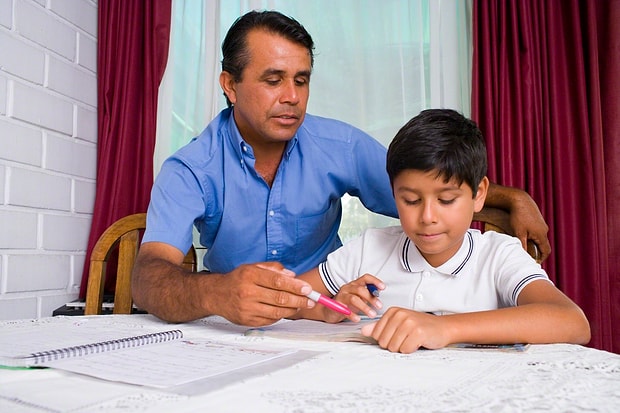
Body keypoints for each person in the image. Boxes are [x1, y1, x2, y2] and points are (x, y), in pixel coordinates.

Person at [132, 10, 551, 327]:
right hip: (233, 327)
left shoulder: (341, 145)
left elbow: (422, 190)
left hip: (328, 320)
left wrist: (511, 198)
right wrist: (216, 293)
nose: (293, 96)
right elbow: (148, 277)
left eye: (302, 79)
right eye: (273, 79)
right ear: (230, 85)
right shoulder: (189, 167)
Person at [291, 109, 590, 353]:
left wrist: (444, 328)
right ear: (394, 194)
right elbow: (291, 300)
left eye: (446, 200)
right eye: (410, 200)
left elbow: (572, 321)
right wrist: (326, 310)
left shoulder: (498, 255)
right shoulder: (369, 249)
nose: (428, 217)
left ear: (478, 194)